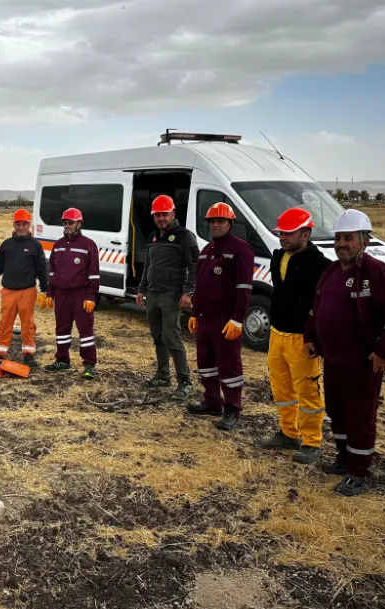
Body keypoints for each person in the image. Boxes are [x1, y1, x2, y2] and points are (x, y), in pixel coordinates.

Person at [304, 209, 385, 496]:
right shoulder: (330, 271)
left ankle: (358, 471)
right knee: (337, 412)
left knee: (359, 416)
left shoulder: (376, 272)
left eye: (348, 238)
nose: (341, 243)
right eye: (338, 238)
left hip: (362, 363)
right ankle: (343, 458)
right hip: (333, 360)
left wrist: (384, 352)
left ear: (365, 240)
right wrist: (311, 336)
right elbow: (316, 308)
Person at [260, 207, 331, 464]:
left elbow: (323, 305)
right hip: (277, 334)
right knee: (281, 389)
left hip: (302, 339)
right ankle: (288, 433)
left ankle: (311, 442)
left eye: (289, 233)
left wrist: (316, 338)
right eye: (281, 233)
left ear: (306, 234)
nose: (283, 238)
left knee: (308, 391)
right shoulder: (278, 257)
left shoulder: (321, 265)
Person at [186, 203, 254, 431]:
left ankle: (232, 408)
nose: (215, 224)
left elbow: (244, 288)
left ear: (230, 223)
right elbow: (200, 286)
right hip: (205, 319)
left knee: (228, 366)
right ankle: (212, 401)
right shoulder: (207, 250)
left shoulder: (241, 249)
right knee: (206, 364)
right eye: (212, 221)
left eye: (220, 221)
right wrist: (194, 313)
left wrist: (237, 319)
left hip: (225, 322)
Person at [134, 194, 199, 400]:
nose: (161, 218)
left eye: (164, 214)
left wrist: (188, 292)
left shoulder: (185, 237)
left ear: (173, 213)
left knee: (172, 336)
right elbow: (148, 265)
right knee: (158, 335)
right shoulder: (153, 237)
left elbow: (194, 265)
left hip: (172, 295)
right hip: (153, 293)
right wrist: (141, 289)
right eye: (157, 215)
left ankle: (185, 382)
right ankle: (163, 376)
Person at [0, 209, 50, 366]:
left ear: (29, 225)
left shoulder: (35, 245)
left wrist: (45, 290)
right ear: (13, 225)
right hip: (8, 291)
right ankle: (1, 352)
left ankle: (28, 353)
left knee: (27, 324)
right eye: (18, 224)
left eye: (24, 224)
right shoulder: (6, 245)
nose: (21, 227)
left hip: (27, 291)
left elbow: (41, 269)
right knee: (5, 322)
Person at [43, 207, 100, 379]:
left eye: (71, 223)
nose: (67, 225)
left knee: (85, 330)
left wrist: (91, 296)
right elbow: (52, 271)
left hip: (81, 295)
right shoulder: (58, 245)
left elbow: (94, 274)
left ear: (79, 224)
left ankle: (89, 364)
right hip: (62, 295)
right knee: (62, 329)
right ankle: (62, 360)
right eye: (65, 223)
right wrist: (49, 293)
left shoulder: (88, 244)